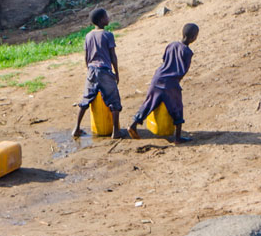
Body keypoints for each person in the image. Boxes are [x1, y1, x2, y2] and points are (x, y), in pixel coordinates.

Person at [129, 23, 199, 144]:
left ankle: (133, 125)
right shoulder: (187, 52)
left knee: (149, 103)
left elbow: (164, 60)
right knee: (177, 108)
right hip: (170, 83)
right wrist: (176, 84)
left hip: (157, 77)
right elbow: (182, 71)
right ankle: (177, 138)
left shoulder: (171, 45)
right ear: (193, 37)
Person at [73, 8, 122, 139]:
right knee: (114, 101)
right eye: (106, 16)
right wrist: (116, 73)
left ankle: (76, 128)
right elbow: (113, 56)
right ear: (101, 20)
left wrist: (88, 70)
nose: (108, 17)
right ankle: (115, 131)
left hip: (91, 70)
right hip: (104, 71)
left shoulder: (88, 36)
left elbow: (86, 56)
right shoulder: (108, 35)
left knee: (86, 99)